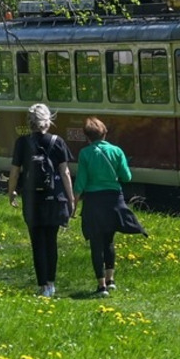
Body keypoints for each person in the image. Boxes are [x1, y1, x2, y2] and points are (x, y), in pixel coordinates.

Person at [8, 103, 76, 297]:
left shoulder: (22, 143)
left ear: (30, 121)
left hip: (32, 200)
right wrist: (71, 199)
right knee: (51, 242)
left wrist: (12, 192)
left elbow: (14, 173)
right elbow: (65, 173)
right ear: (48, 120)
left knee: (37, 242)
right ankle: (52, 284)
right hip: (54, 198)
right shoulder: (57, 142)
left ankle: (43, 286)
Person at [73, 117, 144, 297]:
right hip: (114, 200)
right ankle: (111, 280)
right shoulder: (116, 151)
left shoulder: (85, 154)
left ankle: (101, 286)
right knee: (109, 241)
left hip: (94, 202)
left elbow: (81, 182)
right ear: (104, 133)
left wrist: (73, 205)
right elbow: (126, 177)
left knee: (96, 243)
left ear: (87, 136)